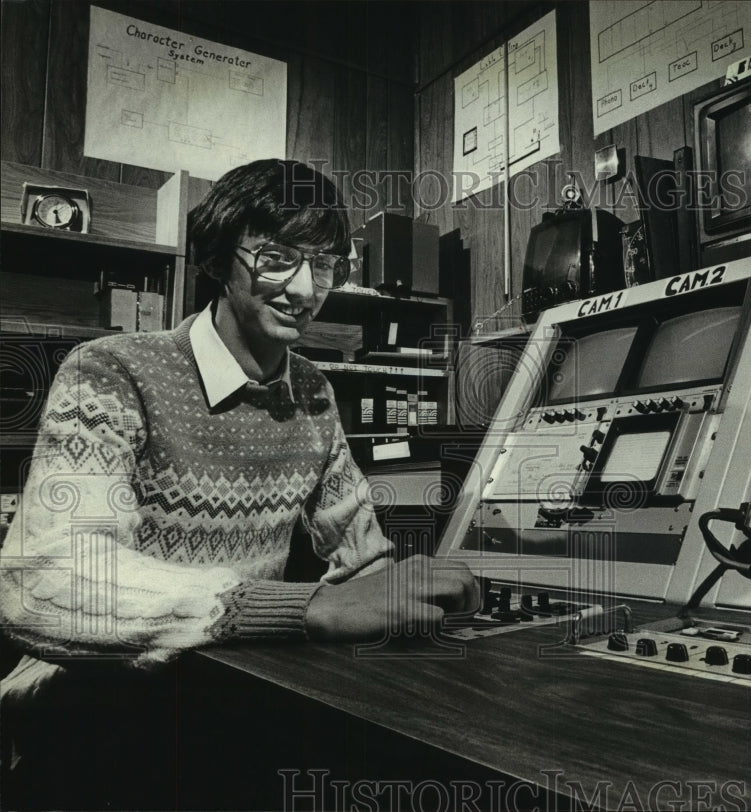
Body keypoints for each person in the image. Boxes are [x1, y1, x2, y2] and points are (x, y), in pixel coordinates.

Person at [0, 159, 478, 808]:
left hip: (227, 702)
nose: (305, 289)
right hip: (92, 714)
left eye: (326, 264)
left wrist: (415, 594)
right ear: (221, 259)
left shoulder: (311, 394)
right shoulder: (112, 373)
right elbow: (44, 580)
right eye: (277, 258)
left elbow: (364, 559)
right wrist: (297, 606)